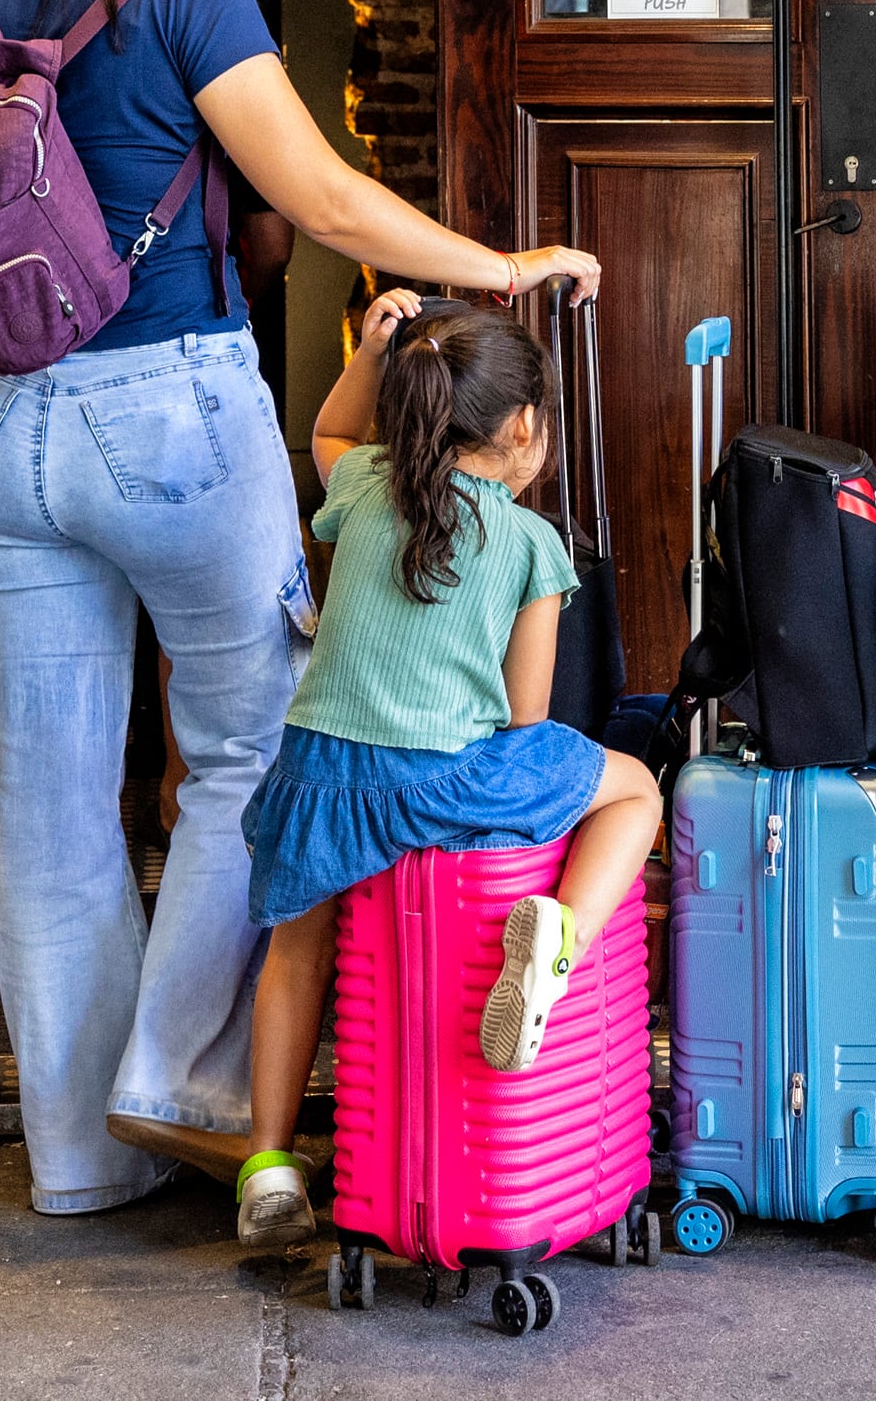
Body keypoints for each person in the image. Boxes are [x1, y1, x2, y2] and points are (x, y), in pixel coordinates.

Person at [0, 0, 600, 1217]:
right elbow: (325, 194)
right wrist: (501, 262)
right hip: (172, 421)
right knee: (250, 756)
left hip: (3, 431)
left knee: (48, 800)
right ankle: (175, 1086)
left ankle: (79, 1161)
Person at [226, 291, 666, 1250]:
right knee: (634, 788)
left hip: (321, 780)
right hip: (443, 783)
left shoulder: (364, 483)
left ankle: (268, 1167)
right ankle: (557, 938)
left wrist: (373, 346)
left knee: (295, 955)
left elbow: (328, 429)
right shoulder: (531, 541)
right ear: (522, 428)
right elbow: (526, 718)